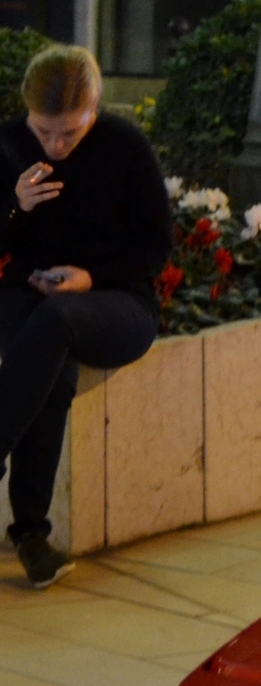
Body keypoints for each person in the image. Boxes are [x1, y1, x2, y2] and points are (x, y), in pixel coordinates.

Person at [0, 45, 169, 588]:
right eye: (45, 130)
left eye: (70, 132)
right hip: (29, 294)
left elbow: (156, 247)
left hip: (118, 301)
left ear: (94, 108)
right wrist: (15, 207)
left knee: (56, 324)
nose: (56, 144)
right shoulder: (9, 144)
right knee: (49, 361)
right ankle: (30, 534)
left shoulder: (125, 147)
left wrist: (89, 278)